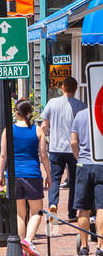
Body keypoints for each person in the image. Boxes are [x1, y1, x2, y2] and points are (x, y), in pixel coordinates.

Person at [0, 99, 50, 256]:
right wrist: (49, 174)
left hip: (14, 175)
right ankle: (28, 240)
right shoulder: (37, 131)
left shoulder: (8, 130)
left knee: (19, 213)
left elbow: (3, 155)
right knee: (36, 211)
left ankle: (22, 246)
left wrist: (1, 174)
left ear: (16, 112)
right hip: (32, 174)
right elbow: (43, 155)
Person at [42, 76, 86, 230]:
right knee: (74, 181)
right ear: (75, 89)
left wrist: (43, 141)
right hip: (74, 149)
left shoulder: (52, 103)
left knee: (54, 180)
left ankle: (53, 208)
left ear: (62, 87)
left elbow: (44, 125)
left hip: (55, 148)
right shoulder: (81, 106)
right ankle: (72, 212)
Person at [70, 107, 101, 256]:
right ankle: (100, 247)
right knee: (102, 208)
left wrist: (79, 158)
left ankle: (84, 246)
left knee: (83, 208)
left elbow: (73, 142)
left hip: (84, 163)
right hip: (101, 163)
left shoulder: (80, 115)